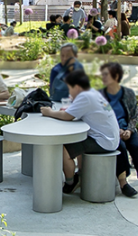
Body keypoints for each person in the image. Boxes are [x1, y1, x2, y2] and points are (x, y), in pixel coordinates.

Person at [41, 67, 121, 195]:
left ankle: (70, 182)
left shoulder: (85, 97)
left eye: (70, 88)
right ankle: (80, 174)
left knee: (63, 148)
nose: (70, 92)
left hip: (103, 141)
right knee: (77, 140)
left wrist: (49, 112)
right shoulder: (92, 93)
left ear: (77, 86)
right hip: (109, 137)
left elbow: (67, 116)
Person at [101, 62, 138, 196]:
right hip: (111, 131)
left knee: (136, 147)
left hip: (127, 129)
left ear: (116, 76)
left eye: (106, 74)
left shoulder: (128, 93)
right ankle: (123, 183)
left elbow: (134, 116)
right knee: (120, 147)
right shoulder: (100, 96)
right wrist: (117, 131)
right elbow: (101, 118)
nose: (103, 77)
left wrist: (129, 130)